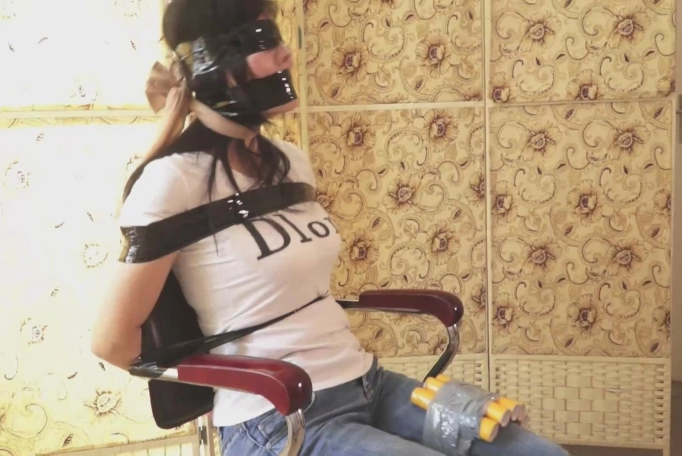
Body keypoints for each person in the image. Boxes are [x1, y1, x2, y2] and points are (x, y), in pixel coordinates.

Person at [90, 0, 569, 455]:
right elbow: (112, 341)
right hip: (276, 416)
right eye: (263, 40)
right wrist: (234, 378)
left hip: (369, 384)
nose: (287, 54)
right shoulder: (173, 180)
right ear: (212, 63)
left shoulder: (290, 163)